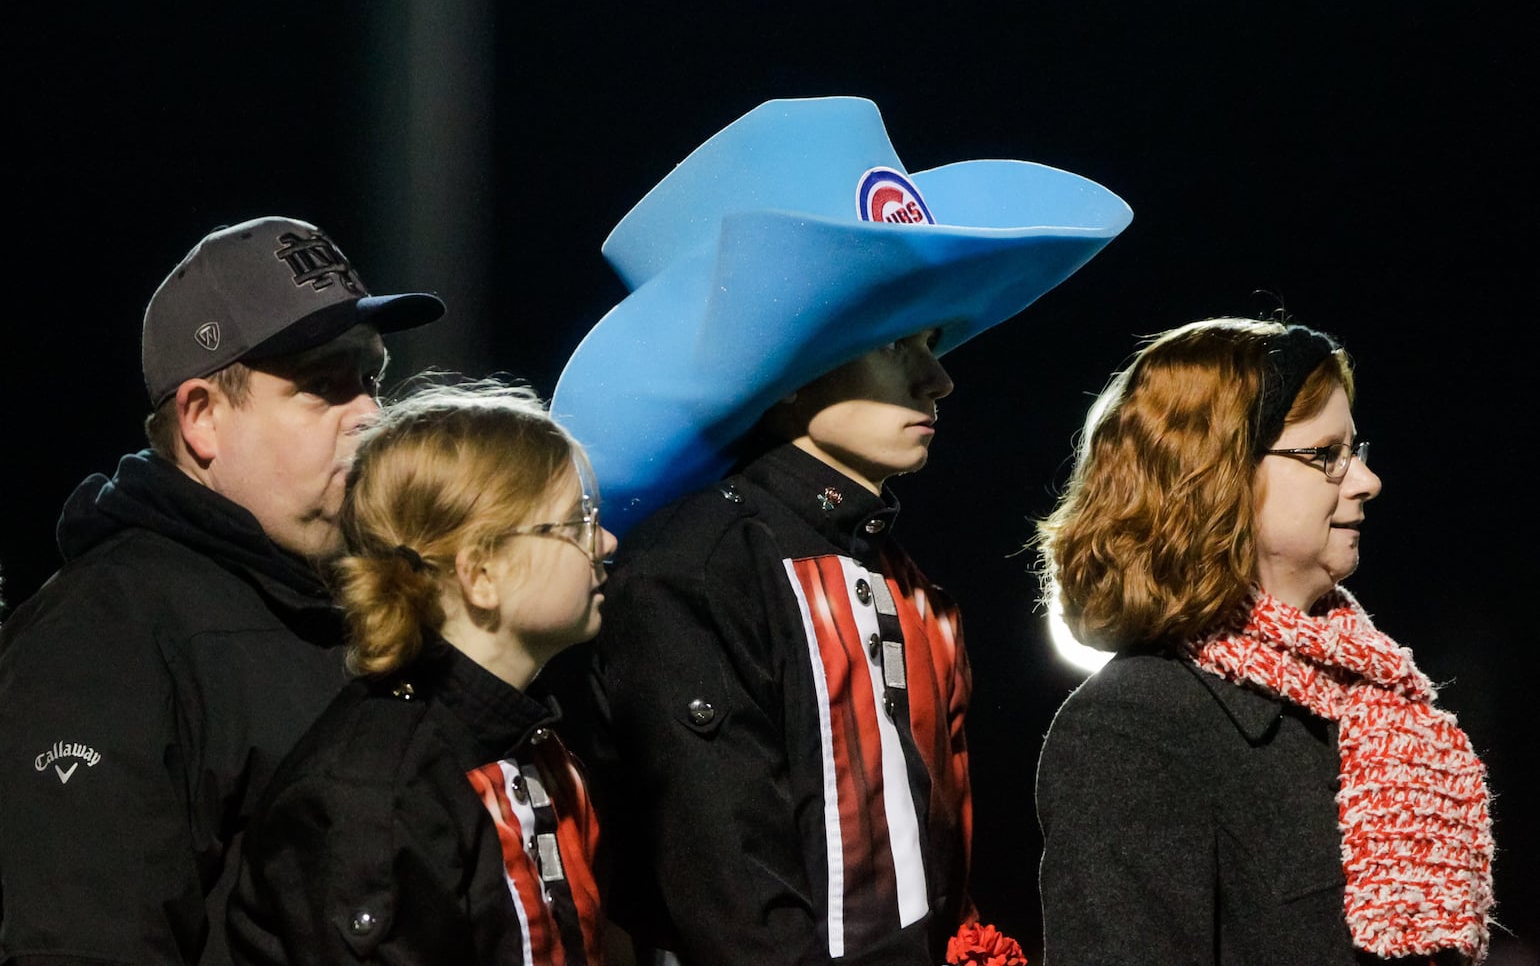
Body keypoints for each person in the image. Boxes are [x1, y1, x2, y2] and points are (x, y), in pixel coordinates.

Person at [544, 96, 1131, 965]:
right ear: (787, 373)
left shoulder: (902, 575)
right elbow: (732, 906)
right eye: (896, 344)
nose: (938, 380)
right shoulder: (691, 575)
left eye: (932, 341)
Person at [0, 217, 444, 965]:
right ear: (202, 417)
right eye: (325, 384)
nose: (371, 412)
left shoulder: (372, 597)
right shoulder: (99, 635)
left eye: (371, 378)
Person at [1032, 317, 1495, 964]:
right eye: (1328, 455)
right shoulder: (1132, 726)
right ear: (1216, 473)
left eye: (1357, 452)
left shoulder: (1371, 705)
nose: (1365, 481)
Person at [226, 380, 620, 965]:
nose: (606, 542)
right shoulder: (377, 798)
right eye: (572, 523)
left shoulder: (530, 735)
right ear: (481, 574)